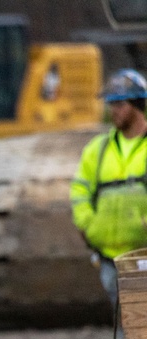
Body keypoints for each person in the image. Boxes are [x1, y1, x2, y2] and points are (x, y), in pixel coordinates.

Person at [71, 68, 147, 311]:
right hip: (109, 260)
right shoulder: (98, 149)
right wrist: (87, 225)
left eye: (119, 103)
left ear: (137, 105)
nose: (112, 110)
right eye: (110, 104)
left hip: (143, 258)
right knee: (128, 330)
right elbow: (80, 190)